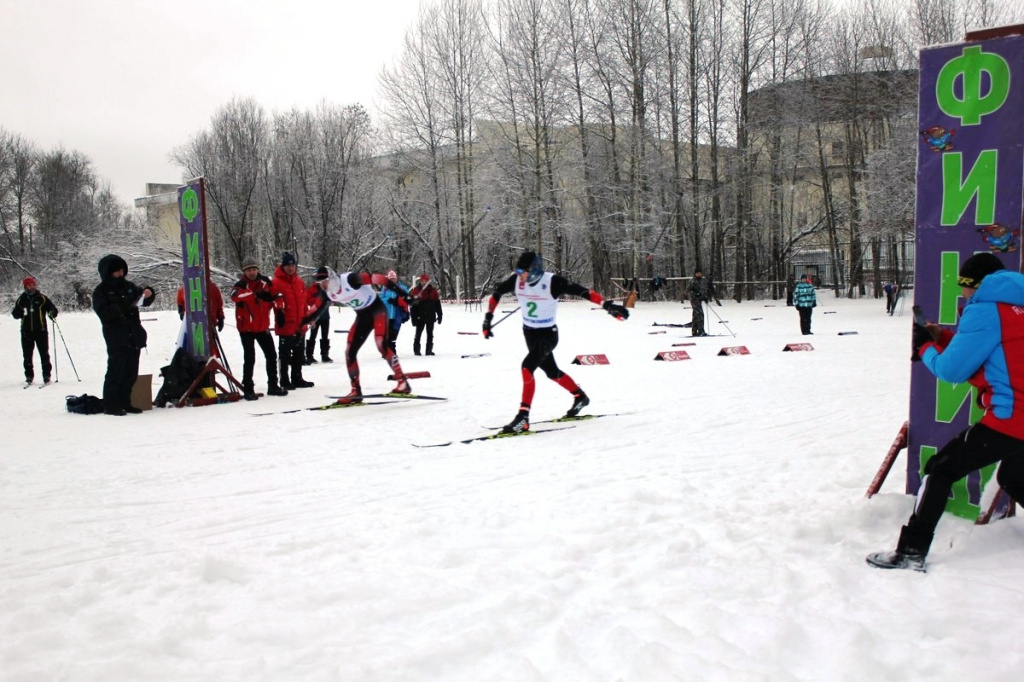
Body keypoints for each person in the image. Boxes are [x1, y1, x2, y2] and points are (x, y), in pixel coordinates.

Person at [868, 253, 1024, 572]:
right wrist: (943, 338)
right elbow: (999, 353)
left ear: (973, 285)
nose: (962, 294)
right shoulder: (1016, 306)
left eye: (962, 286)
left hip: (1010, 419)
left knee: (939, 469)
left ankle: (911, 552)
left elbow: (952, 370)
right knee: (1013, 475)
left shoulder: (984, 308)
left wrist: (924, 347)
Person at [482, 250, 630, 433]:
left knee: (527, 367)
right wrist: (488, 319)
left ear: (534, 270)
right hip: (529, 334)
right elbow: (496, 293)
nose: (519, 277)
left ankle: (523, 417)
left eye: (522, 272)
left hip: (548, 335)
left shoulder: (552, 281)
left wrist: (607, 305)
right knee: (552, 372)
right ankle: (580, 397)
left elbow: (583, 292)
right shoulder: (517, 280)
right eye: (518, 272)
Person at [319, 268, 413, 403]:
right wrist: (304, 325)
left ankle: (402, 383)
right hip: (363, 317)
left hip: (377, 311)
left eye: (326, 281)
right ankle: (355, 390)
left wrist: (404, 296)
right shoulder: (327, 293)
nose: (324, 285)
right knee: (350, 352)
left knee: (382, 344)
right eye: (320, 282)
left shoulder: (350, 279)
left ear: (333, 278)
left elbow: (380, 279)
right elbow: (315, 309)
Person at [92, 254, 156, 416]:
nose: (120, 274)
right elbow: (105, 314)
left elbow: (142, 299)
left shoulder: (129, 286)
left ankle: (125, 402)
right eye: (116, 272)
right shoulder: (101, 292)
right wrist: (124, 304)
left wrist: (149, 293)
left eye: (122, 270)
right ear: (108, 273)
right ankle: (111, 404)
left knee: (131, 372)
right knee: (115, 372)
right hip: (116, 337)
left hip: (134, 335)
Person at [230, 257, 287, 401]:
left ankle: (273, 385)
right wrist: (254, 295)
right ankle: (248, 388)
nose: (252, 272)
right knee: (250, 358)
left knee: (271, 355)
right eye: (249, 270)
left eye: (254, 269)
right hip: (246, 328)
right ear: (245, 271)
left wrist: (279, 310)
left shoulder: (266, 283)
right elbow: (235, 296)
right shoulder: (241, 284)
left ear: (258, 270)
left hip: (262, 327)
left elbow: (277, 295)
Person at [272, 252, 314, 390]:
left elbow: (303, 303)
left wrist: (307, 318)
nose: (290, 268)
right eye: (287, 265)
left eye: (292, 265)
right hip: (285, 324)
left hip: (299, 324)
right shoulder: (276, 283)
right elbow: (270, 301)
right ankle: (284, 380)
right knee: (284, 355)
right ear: (283, 267)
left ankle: (297, 377)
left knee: (298, 353)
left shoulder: (300, 282)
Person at [11, 276, 58, 385]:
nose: (32, 287)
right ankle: (29, 376)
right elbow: (15, 314)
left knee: (44, 354)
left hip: (41, 331)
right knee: (27, 355)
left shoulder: (42, 298)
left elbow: (52, 309)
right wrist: (19, 313)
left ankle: (46, 376)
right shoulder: (21, 300)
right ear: (25, 286)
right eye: (29, 285)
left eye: (33, 284)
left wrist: (52, 313)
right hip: (26, 331)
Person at [409, 273, 443, 356]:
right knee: (418, 334)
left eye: (425, 281)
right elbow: (413, 307)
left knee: (430, 334)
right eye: (422, 281)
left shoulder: (433, 291)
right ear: (420, 281)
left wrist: (440, 315)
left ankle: (429, 350)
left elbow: (437, 304)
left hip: (430, 316)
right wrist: (413, 318)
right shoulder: (416, 291)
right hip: (420, 316)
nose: (424, 283)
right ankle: (416, 350)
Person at [304, 266, 332, 364]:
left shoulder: (328, 288)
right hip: (315, 316)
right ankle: (309, 355)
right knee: (313, 335)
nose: (323, 282)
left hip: (325, 316)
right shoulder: (312, 288)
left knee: (325, 335)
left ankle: (325, 355)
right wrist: (318, 301)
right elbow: (307, 300)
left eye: (325, 280)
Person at [378, 269, 411, 353]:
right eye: (391, 279)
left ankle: (391, 349)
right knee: (387, 333)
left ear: (396, 279)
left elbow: (407, 298)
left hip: (398, 314)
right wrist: (389, 300)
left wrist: (398, 300)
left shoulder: (402, 288)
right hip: (387, 315)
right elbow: (381, 299)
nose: (392, 280)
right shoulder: (385, 289)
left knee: (394, 333)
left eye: (394, 278)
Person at [688, 269, 708, 337]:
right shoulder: (692, 281)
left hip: (700, 300)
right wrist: (695, 294)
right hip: (694, 300)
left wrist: (704, 297)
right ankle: (701, 331)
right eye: (698, 273)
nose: (699, 274)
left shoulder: (703, 281)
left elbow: (704, 289)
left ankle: (694, 331)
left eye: (700, 273)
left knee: (695, 316)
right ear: (695, 274)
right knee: (700, 315)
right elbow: (688, 290)